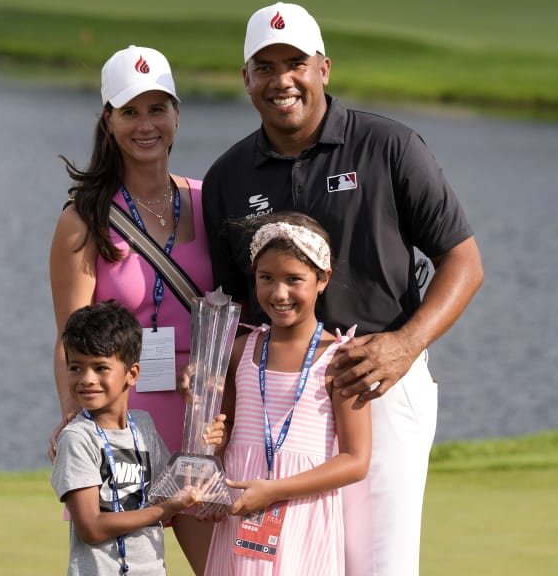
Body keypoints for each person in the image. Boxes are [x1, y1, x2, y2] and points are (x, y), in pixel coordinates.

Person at [200, 2, 484, 575]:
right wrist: (213, 391)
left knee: (380, 566)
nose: (282, 80)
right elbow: (232, 308)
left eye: (295, 63)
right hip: (274, 399)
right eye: (265, 66)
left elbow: (463, 261)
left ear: (323, 68)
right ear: (247, 79)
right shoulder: (228, 176)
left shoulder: (389, 146)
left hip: (377, 379)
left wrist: (405, 345)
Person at [48, 45, 214, 571]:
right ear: (108, 119)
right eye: (130, 111)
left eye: (157, 108)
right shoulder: (85, 219)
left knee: (225, 569)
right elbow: (69, 339)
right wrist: (77, 422)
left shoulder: (211, 201)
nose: (146, 124)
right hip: (122, 427)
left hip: (201, 422)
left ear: (177, 113)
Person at [204, 212, 371, 575]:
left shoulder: (341, 359)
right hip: (242, 512)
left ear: (322, 279)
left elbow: (356, 460)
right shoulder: (240, 351)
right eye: (266, 278)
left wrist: (276, 490)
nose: (279, 293)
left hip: (301, 518)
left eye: (294, 279)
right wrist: (215, 441)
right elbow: (226, 430)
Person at [52, 301, 226, 576]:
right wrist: (165, 510)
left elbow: (172, 489)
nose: (86, 379)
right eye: (76, 368)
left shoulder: (142, 425)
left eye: (100, 368)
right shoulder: (77, 438)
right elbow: (91, 528)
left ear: (132, 374)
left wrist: (207, 441)